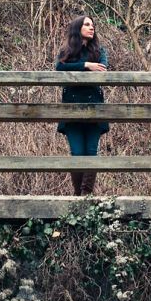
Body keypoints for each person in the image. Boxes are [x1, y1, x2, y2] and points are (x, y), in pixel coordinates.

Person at [55, 15, 110, 195]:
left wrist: (91, 67)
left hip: (94, 109)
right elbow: (60, 68)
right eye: (87, 25)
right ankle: (78, 198)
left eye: (93, 25)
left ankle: (85, 197)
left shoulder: (100, 51)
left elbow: (103, 68)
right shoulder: (67, 52)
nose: (91, 28)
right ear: (77, 28)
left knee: (91, 153)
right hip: (71, 110)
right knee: (77, 153)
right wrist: (86, 65)